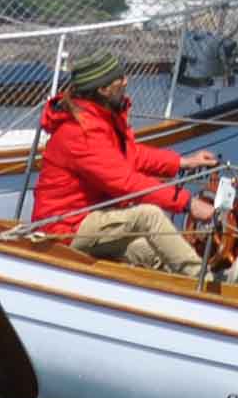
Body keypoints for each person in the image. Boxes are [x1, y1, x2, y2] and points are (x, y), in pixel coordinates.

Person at [27, 50, 219, 277]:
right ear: (103, 89)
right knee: (149, 216)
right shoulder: (81, 132)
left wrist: (182, 162)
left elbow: (130, 155)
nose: (126, 81)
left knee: (147, 249)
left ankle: (205, 282)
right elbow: (126, 183)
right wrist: (188, 203)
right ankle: (205, 283)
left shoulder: (97, 118)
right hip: (63, 227)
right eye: (120, 79)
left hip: (86, 219)